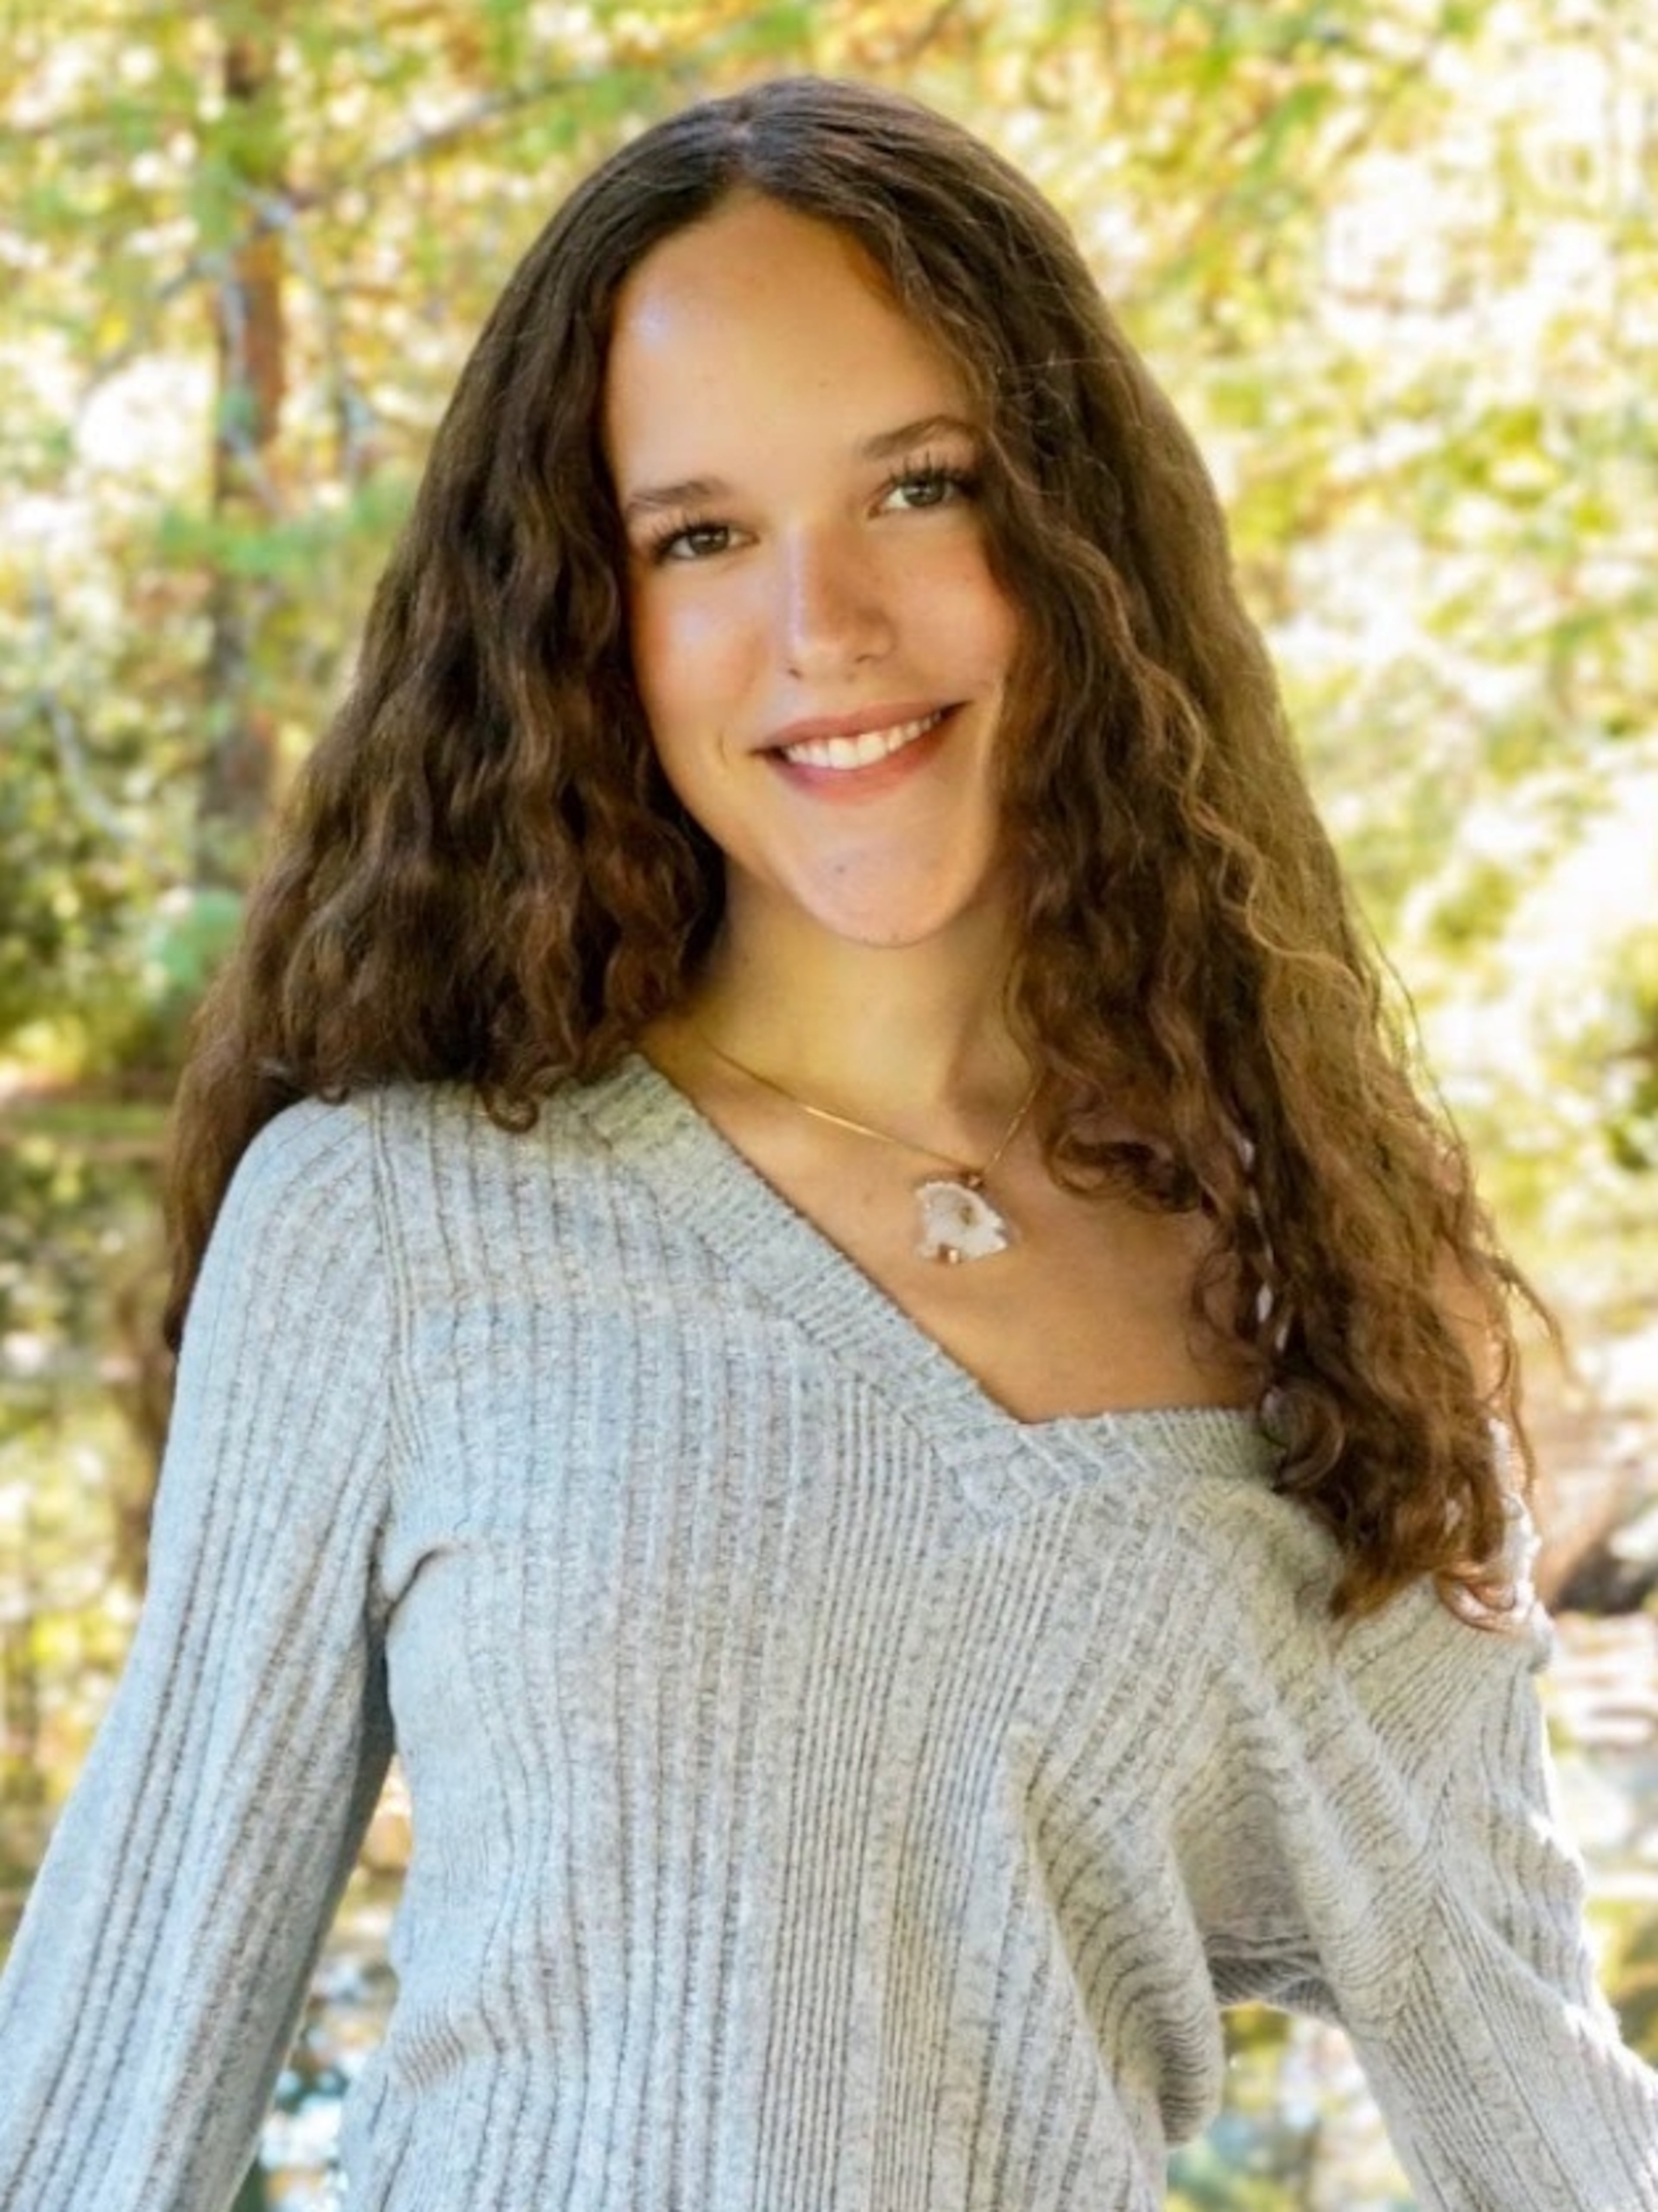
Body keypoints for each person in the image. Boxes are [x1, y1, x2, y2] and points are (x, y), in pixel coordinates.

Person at [0, 71, 1653, 2212]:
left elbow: (1541, 2114)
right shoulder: (391, 1226)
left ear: (1076, 535)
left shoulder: (1320, 1284)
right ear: (592, 617)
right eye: (702, 535)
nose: (826, 632)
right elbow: (102, 2090)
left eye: (922, 488)